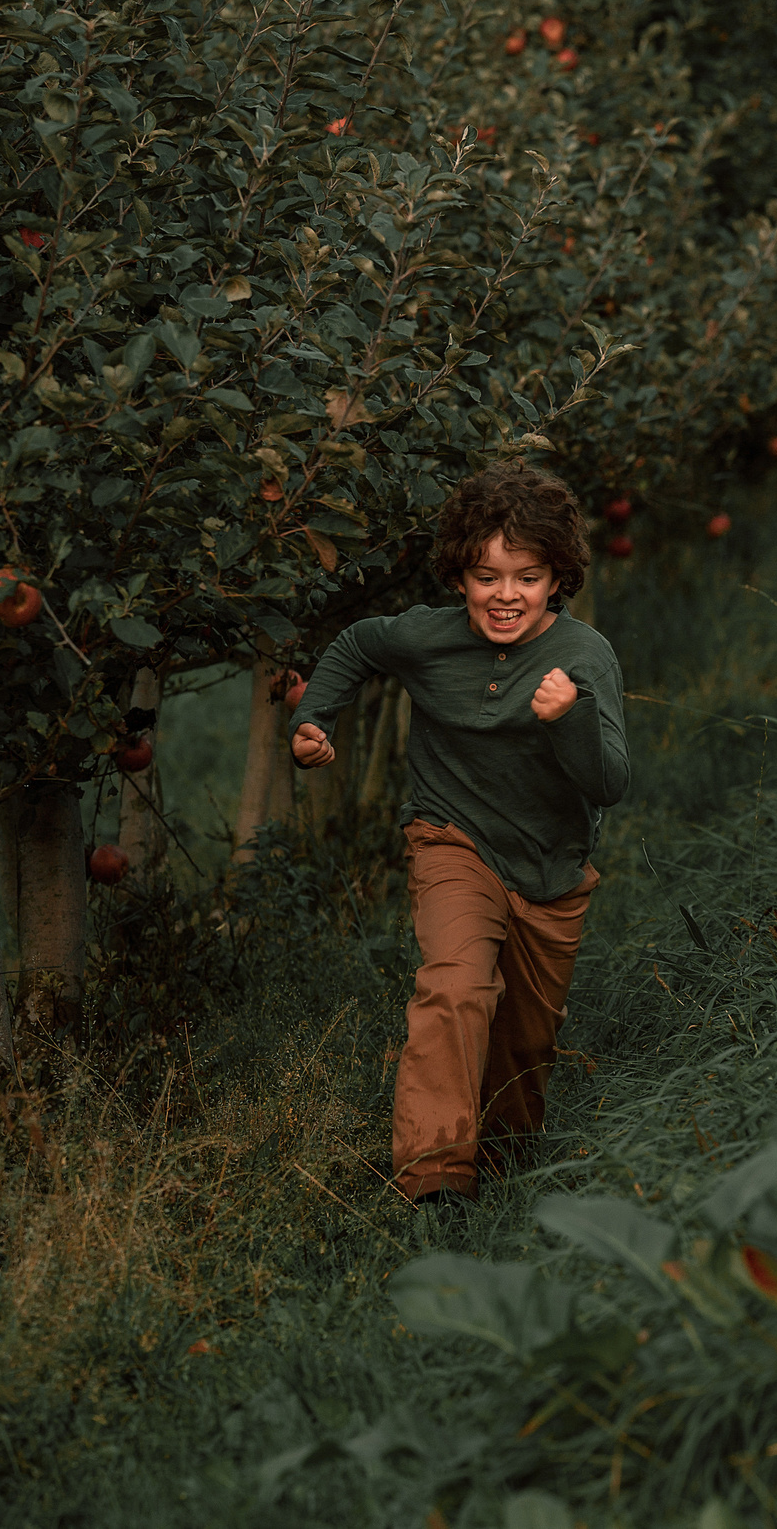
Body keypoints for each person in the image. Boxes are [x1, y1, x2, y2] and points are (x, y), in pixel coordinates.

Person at [288, 462, 629, 1205]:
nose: (505, 595)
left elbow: (609, 782)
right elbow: (356, 644)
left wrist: (568, 717)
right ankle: (436, 1179)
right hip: (452, 839)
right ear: (460, 575)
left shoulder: (583, 657)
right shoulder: (426, 639)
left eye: (527, 577)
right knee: (456, 984)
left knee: (525, 1038)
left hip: (550, 867)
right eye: (486, 576)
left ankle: (505, 1156)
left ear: (557, 578)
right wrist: (314, 718)